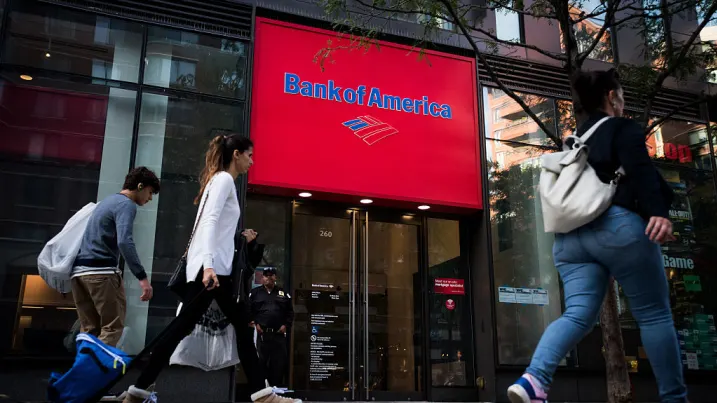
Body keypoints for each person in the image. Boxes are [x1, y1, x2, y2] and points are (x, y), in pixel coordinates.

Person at [507, 69, 686, 403]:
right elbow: (641, 168)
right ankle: (674, 398)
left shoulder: (574, 140)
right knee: (654, 314)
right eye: (622, 95)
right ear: (611, 96)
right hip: (617, 227)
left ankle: (534, 379)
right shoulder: (622, 127)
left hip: (570, 238)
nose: (624, 101)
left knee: (576, 314)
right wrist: (658, 212)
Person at [122, 135, 300, 403]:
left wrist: (238, 236)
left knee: (232, 328)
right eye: (250, 155)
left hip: (216, 272)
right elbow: (209, 222)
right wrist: (208, 266)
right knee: (184, 329)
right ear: (237, 154)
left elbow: (216, 227)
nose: (252, 161)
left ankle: (138, 391)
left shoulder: (217, 180)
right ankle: (138, 390)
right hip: (213, 274)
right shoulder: (224, 180)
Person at [72, 167, 159, 347]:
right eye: (150, 192)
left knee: (89, 329)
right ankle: (96, 373)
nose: (150, 198)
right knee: (112, 327)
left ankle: (82, 372)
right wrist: (142, 277)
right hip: (101, 274)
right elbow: (125, 242)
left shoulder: (106, 202)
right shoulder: (126, 204)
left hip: (79, 274)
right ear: (140, 186)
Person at [249, 267, 294, 387]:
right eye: (266, 275)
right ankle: (260, 389)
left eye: (271, 275)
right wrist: (255, 323)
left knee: (278, 364)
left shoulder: (283, 294)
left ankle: (276, 389)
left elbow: (290, 312)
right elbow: (249, 311)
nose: (269, 278)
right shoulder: (255, 293)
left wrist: (285, 325)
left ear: (275, 278)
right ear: (262, 277)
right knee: (260, 363)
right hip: (261, 334)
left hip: (278, 335)